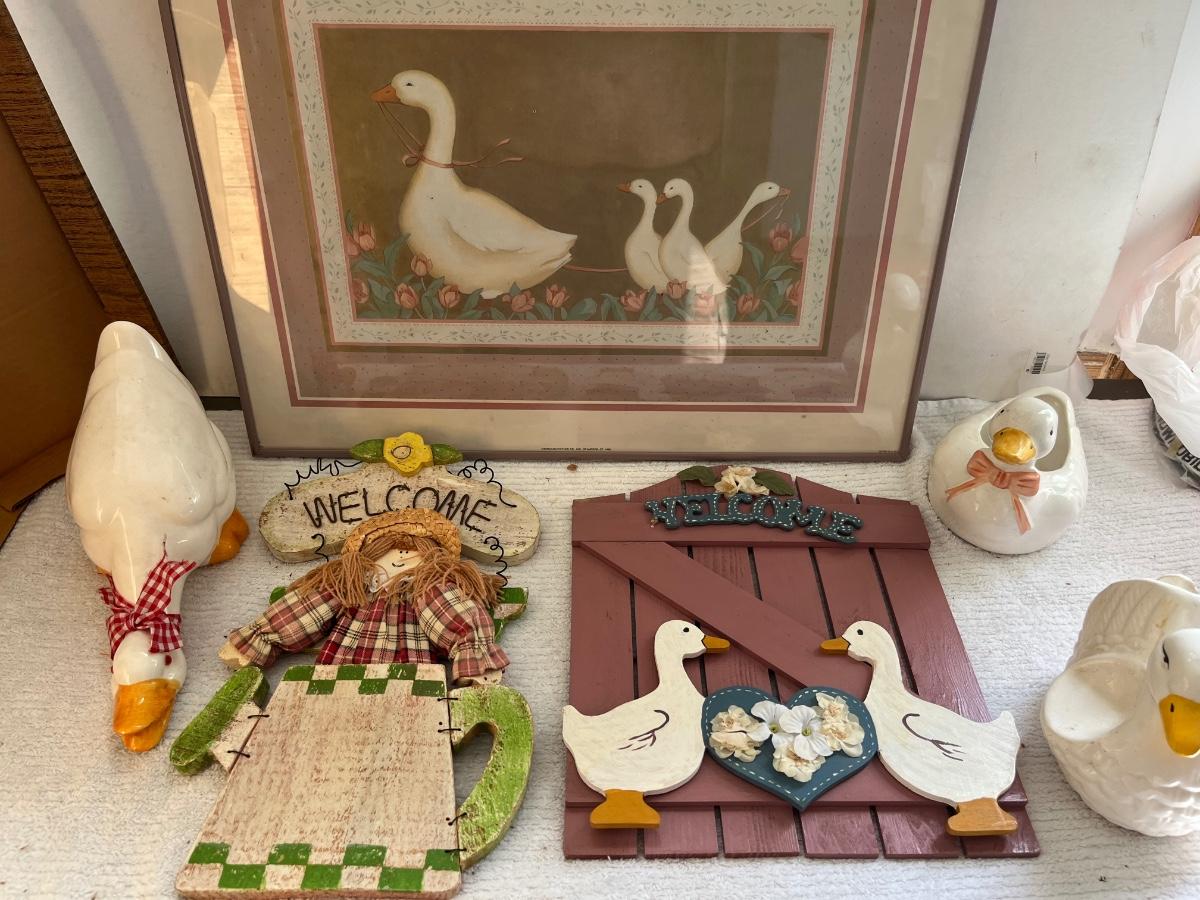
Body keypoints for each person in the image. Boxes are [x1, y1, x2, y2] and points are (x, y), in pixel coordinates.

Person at [219, 509, 508, 686]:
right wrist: (260, 639)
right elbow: (310, 606)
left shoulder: (429, 589)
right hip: (340, 677)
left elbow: (453, 614)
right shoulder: (353, 586)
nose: (402, 556)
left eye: (413, 550)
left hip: (409, 680)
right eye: (392, 549)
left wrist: (473, 656)